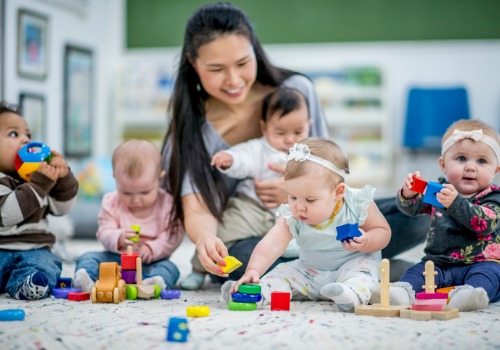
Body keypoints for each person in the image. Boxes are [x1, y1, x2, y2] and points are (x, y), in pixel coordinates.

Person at [162, 2, 428, 285]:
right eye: (216, 69)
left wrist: (296, 194)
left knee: (418, 215)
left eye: (242, 63)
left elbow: (327, 166)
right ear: (192, 62)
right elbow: (197, 204)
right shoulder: (192, 126)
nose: (233, 79)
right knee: (244, 262)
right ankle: (360, 267)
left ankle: (345, 264)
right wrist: (206, 239)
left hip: (317, 216)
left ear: (254, 49)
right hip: (254, 230)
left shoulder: (296, 92)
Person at [222, 138, 391, 312]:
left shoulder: (357, 203)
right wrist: (253, 270)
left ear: (338, 192)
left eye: (310, 200)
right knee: (282, 273)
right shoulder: (292, 214)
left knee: (364, 271)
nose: (299, 206)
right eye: (292, 197)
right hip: (308, 271)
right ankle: (255, 293)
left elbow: (383, 231)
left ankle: (351, 294)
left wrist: (368, 239)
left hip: (350, 264)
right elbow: (271, 243)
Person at [179, 87, 310, 289]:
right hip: (250, 209)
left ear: (309, 126)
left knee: (308, 224)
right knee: (221, 234)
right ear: (264, 128)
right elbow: (244, 157)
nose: (290, 139)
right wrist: (230, 160)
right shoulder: (260, 148)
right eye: (280, 132)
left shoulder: (310, 153)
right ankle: (198, 270)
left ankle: (291, 248)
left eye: (298, 132)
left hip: (284, 214)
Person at [371, 119, 500, 311]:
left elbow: (484, 223)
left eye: (481, 161)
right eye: (461, 159)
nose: (471, 167)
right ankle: (401, 292)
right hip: (438, 263)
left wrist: (456, 203)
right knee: (417, 272)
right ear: (443, 165)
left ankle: (471, 294)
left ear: (496, 170)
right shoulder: (438, 191)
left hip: (480, 263)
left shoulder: (493, 197)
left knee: (491, 275)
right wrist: (408, 194)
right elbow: (411, 210)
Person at [73, 139, 184, 292]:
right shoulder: (111, 202)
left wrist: (152, 248)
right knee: (88, 257)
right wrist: (118, 237)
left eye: (145, 192)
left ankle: (153, 283)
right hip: (117, 259)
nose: (136, 199)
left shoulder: (167, 203)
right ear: (115, 178)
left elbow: (173, 235)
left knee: (170, 268)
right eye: (126, 192)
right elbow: (104, 232)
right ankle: (86, 278)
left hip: (151, 261)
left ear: (160, 178)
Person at [0, 101, 78, 300]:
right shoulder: (27, 182)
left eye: (28, 135)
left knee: (47, 264)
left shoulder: (38, 179)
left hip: (34, 249)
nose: (25, 140)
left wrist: (63, 177)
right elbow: (6, 214)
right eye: (14, 134)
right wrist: (38, 186)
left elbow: (61, 208)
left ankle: (25, 284)